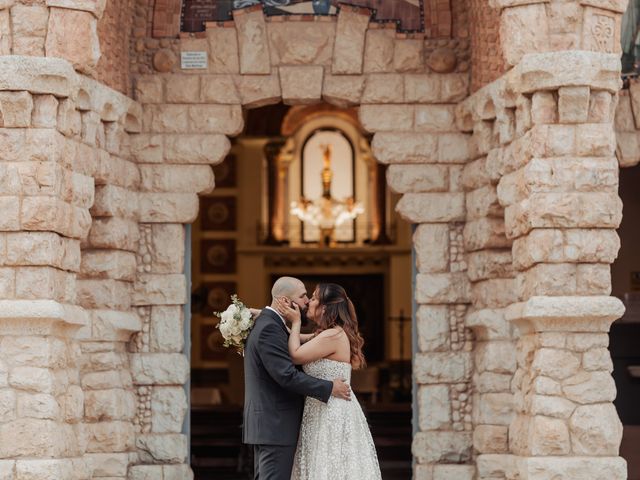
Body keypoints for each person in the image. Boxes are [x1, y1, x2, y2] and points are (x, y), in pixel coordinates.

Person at [243, 277, 351, 480]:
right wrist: (329, 387)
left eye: (310, 297)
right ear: (285, 301)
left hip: (277, 424)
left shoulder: (272, 324)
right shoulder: (269, 328)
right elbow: (287, 376)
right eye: (303, 296)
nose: (307, 301)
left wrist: (266, 314)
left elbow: (307, 340)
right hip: (276, 424)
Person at [275, 283, 382, 480]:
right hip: (320, 409)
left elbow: (296, 355)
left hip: (332, 413)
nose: (309, 302)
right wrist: (260, 314)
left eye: (314, 298)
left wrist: (297, 322)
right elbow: (292, 337)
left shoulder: (333, 335)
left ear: (324, 307)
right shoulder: (326, 334)